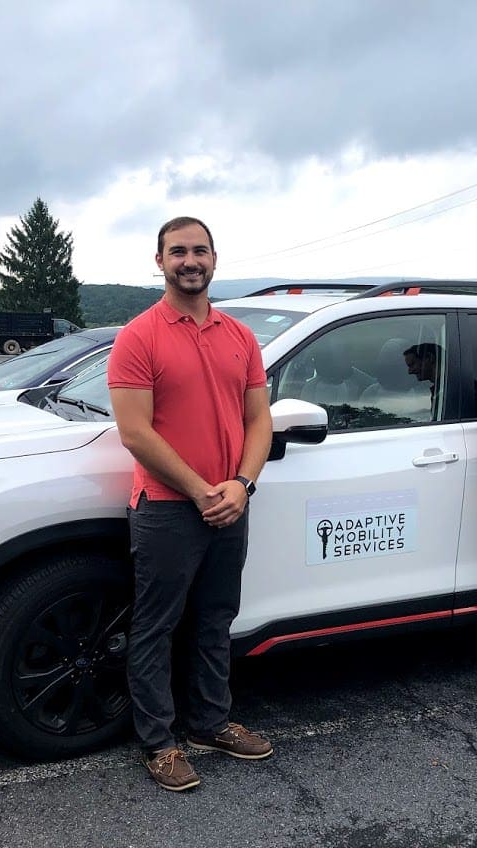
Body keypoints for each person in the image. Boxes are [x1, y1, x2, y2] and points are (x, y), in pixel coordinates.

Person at [107, 216, 275, 791]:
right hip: (166, 507)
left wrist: (241, 485)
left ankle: (210, 722)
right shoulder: (139, 336)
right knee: (156, 626)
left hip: (230, 502)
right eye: (178, 251)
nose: (190, 260)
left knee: (214, 619)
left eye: (199, 250)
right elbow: (135, 432)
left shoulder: (240, 336)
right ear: (160, 261)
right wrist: (201, 489)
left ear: (214, 258)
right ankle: (159, 742)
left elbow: (259, 419)